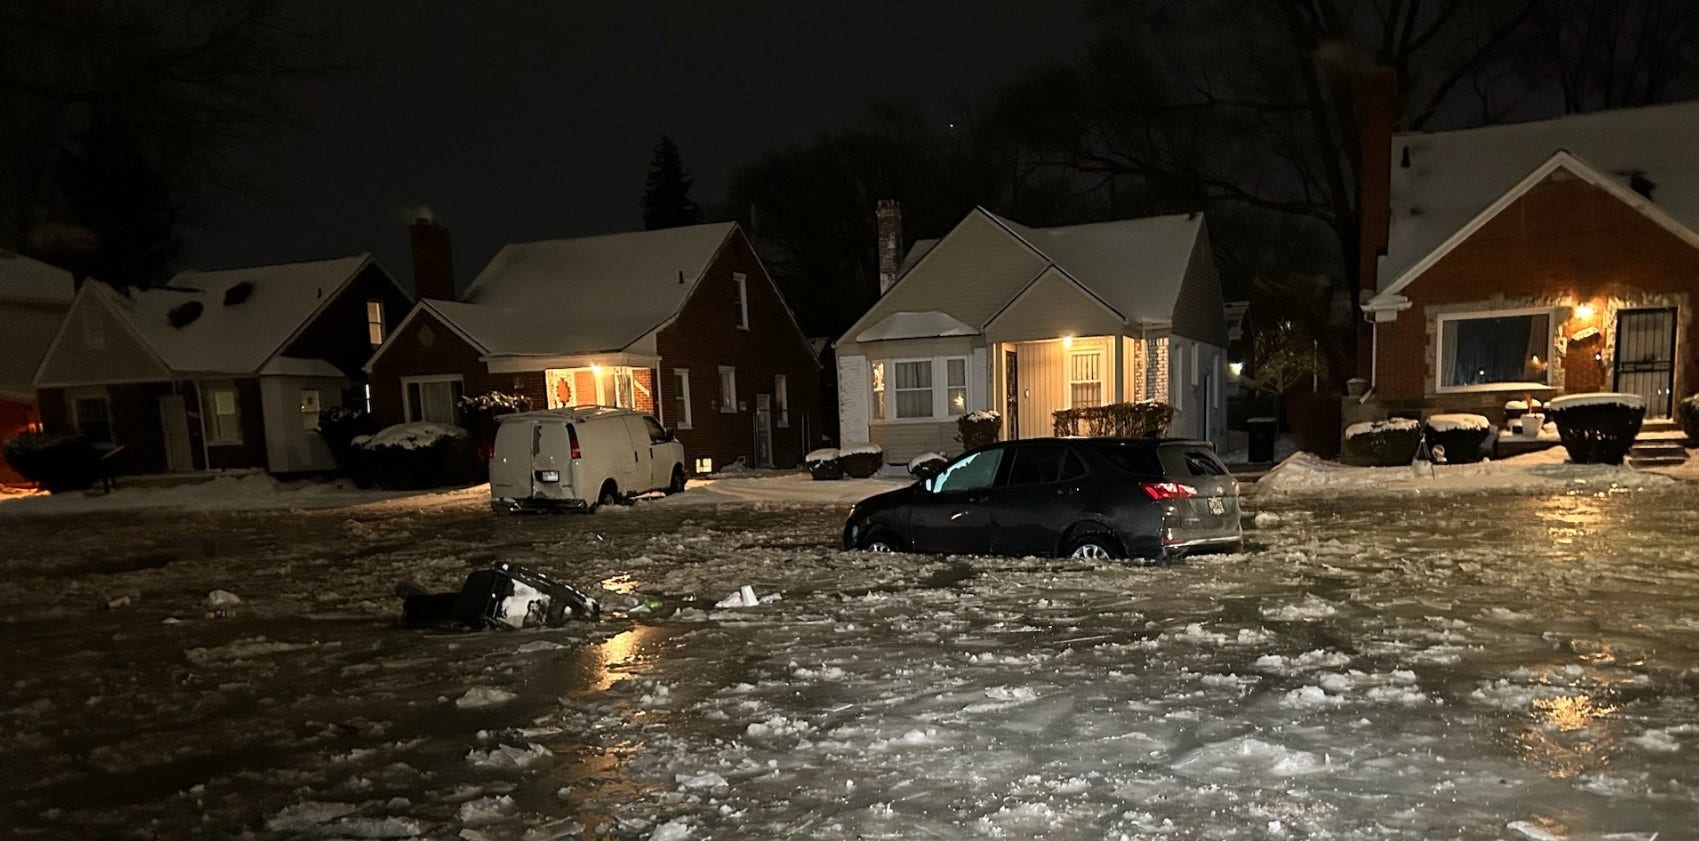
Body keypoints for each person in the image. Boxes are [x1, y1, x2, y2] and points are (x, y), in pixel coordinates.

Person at [397, 562, 599, 629]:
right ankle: (416, 605)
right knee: (451, 606)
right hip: (472, 604)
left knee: (452, 604)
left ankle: (417, 604)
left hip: (474, 602)